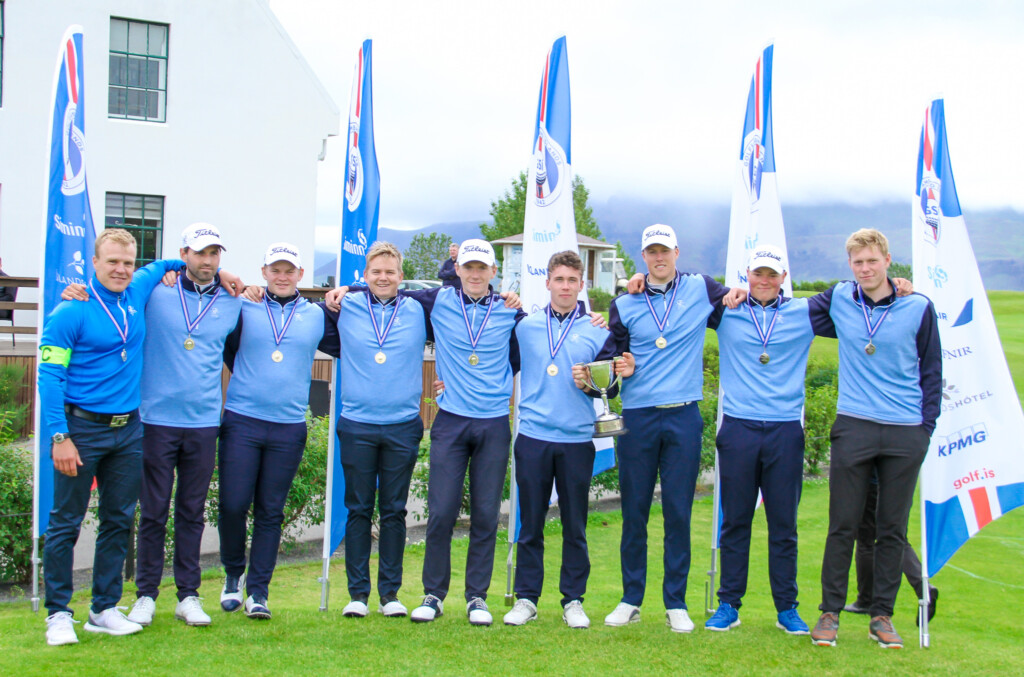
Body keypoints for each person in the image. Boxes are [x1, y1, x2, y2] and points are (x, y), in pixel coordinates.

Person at [38, 229, 194, 646]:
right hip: (80, 429)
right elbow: (49, 376)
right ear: (95, 263)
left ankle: (103, 609)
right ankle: (58, 614)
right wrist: (59, 436)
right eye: (112, 262)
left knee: (118, 520)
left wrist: (224, 274)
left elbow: (171, 264)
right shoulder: (71, 310)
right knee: (65, 522)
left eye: (127, 262)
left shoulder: (137, 289)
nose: (121, 269)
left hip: (128, 429)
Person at [607, 224, 744, 633]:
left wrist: (740, 291)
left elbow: (742, 297)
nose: (659, 257)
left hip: (683, 415)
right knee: (634, 511)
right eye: (651, 252)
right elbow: (612, 360)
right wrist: (619, 369)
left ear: (677, 252)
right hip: (638, 416)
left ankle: (676, 603)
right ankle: (631, 599)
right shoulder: (625, 303)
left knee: (678, 512)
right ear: (643, 256)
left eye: (664, 250)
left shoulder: (701, 288)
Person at [807, 228, 941, 649]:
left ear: (887, 260)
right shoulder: (839, 298)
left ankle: (882, 615)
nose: (865, 269)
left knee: (891, 530)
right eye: (858, 262)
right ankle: (830, 612)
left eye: (872, 261)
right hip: (855, 426)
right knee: (842, 525)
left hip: (905, 431)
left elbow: (932, 371)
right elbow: (782, 306)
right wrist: (734, 295)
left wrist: (925, 429)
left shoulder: (918, 306)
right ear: (850, 265)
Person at [501, 250, 634, 630]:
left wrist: (589, 384)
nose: (565, 286)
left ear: (582, 285)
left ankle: (573, 600)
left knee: (575, 525)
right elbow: (495, 361)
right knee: (530, 524)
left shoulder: (598, 330)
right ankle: (526, 599)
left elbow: (610, 388)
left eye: (572, 280)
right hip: (533, 437)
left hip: (576, 440)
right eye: (558, 279)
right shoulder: (524, 326)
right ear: (547, 283)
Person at [122, 224, 243, 628]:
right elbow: (119, 284)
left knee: (192, 512)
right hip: (155, 420)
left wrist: (232, 280)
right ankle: (145, 595)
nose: (207, 261)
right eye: (199, 253)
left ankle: (188, 595)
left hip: (204, 422)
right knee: (153, 512)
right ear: (183, 254)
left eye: (214, 254)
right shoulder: (157, 292)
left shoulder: (233, 300)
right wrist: (168, 268)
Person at [702, 245, 813, 635]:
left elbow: (859, 298)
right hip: (739, 429)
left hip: (785, 429)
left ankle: (787, 608)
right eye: (758, 273)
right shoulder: (726, 310)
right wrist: (637, 280)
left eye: (772, 274)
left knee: (784, 524)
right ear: (746, 275)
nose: (764, 281)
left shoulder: (806, 312)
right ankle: (729, 604)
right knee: (735, 521)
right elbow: (682, 288)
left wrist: (899, 285)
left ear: (784, 278)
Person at [320, 243, 429, 619]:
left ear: (401, 276)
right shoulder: (343, 306)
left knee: (394, 511)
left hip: (402, 425)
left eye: (390, 272)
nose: (383, 278)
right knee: (358, 509)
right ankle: (357, 595)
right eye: (376, 272)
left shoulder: (419, 308)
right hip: (357, 424)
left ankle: (390, 595)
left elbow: (458, 291)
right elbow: (295, 311)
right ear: (365, 275)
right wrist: (346, 290)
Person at [218, 243, 327, 620]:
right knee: (233, 504)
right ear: (263, 272)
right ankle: (233, 575)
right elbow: (227, 349)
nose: (282, 277)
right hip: (242, 420)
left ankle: (258, 591)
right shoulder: (243, 306)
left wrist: (349, 288)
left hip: (288, 426)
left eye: (289, 270)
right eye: (275, 270)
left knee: (270, 511)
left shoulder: (316, 315)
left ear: (300, 275)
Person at [844, 471, 938, 626]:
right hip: (899, 481)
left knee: (866, 541)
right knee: (897, 539)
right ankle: (923, 587)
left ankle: (865, 600)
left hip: (872, 481)